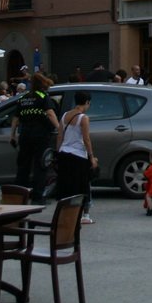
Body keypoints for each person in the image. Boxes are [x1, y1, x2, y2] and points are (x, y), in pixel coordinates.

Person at [10, 73, 60, 203]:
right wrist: (60, 128)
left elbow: (15, 119)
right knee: (40, 165)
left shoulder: (23, 98)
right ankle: (37, 197)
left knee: (23, 167)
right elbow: (50, 114)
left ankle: (19, 197)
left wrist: (12, 135)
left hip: (25, 135)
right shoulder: (43, 96)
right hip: (40, 136)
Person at [56, 91, 98, 224]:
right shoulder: (83, 118)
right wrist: (91, 157)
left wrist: (58, 152)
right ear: (87, 102)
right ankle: (84, 215)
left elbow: (59, 136)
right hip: (78, 155)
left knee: (66, 185)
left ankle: (65, 213)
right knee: (82, 185)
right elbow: (86, 139)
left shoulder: (64, 116)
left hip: (64, 153)